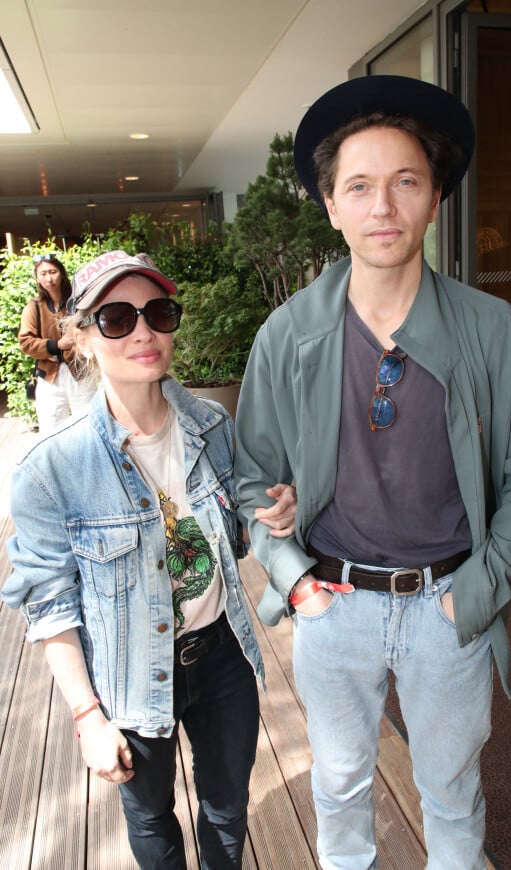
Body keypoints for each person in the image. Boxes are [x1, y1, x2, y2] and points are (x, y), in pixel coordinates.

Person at [233, 76, 511, 870]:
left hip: (448, 603)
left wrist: (479, 589)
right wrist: (292, 572)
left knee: (451, 792)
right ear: (331, 205)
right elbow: (252, 475)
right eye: (360, 186)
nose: (382, 206)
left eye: (405, 182)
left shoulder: (498, 334)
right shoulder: (289, 336)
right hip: (333, 602)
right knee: (341, 780)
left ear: (436, 199)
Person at [3, 250, 298, 870]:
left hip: (222, 656)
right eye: (116, 317)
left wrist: (275, 510)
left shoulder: (214, 426)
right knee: (152, 819)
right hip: (129, 672)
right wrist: (87, 716)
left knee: (227, 809)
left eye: (158, 313)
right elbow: (50, 605)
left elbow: (242, 529)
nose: (143, 331)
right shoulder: (51, 470)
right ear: (79, 335)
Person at [18, 253, 95, 434]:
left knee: (88, 425)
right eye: (43, 273)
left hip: (81, 371)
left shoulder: (79, 303)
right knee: (51, 429)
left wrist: (79, 340)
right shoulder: (34, 307)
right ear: (37, 278)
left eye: (52, 271)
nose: (49, 278)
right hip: (49, 376)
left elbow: (94, 330)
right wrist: (56, 345)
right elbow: (26, 342)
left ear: (61, 273)